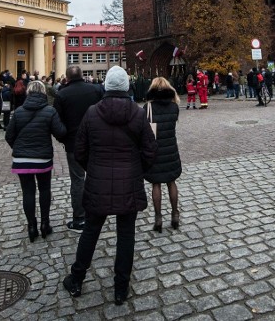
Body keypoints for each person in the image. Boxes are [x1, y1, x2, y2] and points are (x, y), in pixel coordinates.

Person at [62, 66, 156, 306]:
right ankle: (120, 289)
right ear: (126, 87)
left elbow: (80, 151)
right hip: (129, 183)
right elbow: (149, 149)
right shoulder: (137, 113)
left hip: (98, 182)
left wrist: (93, 168)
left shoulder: (92, 113)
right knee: (126, 236)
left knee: (90, 232)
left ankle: (76, 278)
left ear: (106, 86)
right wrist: (137, 169)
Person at [5, 80, 66, 242]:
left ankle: (32, 227)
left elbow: (9, 136)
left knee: (28, 192)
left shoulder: (18, 112)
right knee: (45, 189)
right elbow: (60, 133)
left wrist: (18, 148)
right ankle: (45, 224)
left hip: (21, 159)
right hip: (42, 158)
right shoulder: (49, 111)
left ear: (28, 93)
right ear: (43, 93)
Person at [54, 65, 104, 232]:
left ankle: (80, 219)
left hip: (74, 144)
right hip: (96, 141)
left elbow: (57, 123)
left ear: (67, 78)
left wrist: (64, 139)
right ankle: (99, 212)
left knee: (77, 180)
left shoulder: (61, 95)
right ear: (83, 75)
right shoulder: (96, 90)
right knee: (97, 177)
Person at [143, 77, 182, 231]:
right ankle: (175, 214)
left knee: (156, 184)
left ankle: (158, 217)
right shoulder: (174, 107)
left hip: (155, 151)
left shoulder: (147, 107)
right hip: (171, 150)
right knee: (171, 182)